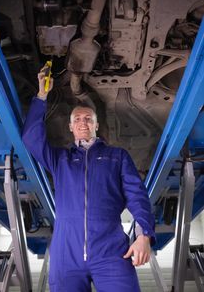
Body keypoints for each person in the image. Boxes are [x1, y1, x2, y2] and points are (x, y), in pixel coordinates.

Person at [22, 66, 155, 292]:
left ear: (96, 125)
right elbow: (31, 139)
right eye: (77, 119)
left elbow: (137, 196)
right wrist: (42, 95)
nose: (83, 122)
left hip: (111, 251)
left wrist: (144, 235)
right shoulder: (60, 159)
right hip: (66, 254)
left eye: (88, 118)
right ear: (71, 127)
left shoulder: (117, 156)